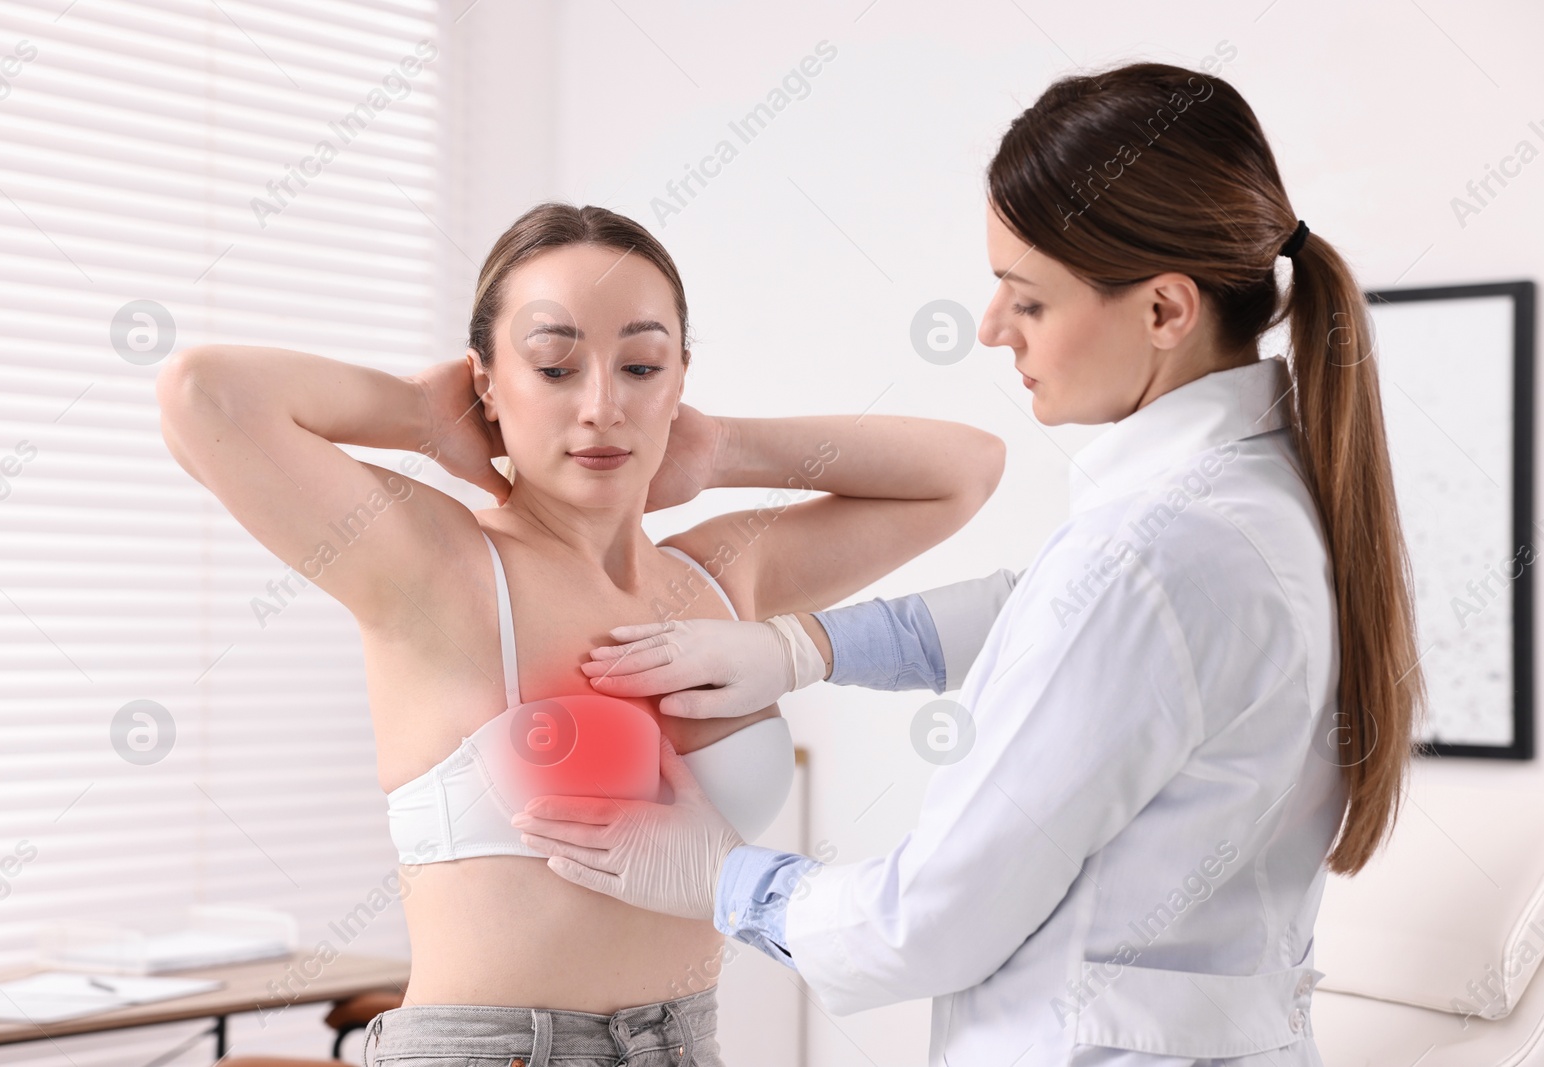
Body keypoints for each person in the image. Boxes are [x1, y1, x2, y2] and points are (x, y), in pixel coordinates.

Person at [511, 62, 1426, 1066]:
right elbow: (1053, 616)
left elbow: (925, 924)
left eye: (1026, 300)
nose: (991, 328)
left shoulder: (1149, 555)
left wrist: (726, 878)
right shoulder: (1254, 503)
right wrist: (804, 646)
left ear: (1165, 311)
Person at [153, 202, 1005, 1067]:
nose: (602, 406)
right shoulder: (435, 563)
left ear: (679, 377)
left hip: (688, 1043)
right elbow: (205, 394)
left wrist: (720, 451)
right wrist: (418, 412)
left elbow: (965, 471)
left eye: (640, 365)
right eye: (555, 367)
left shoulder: (724, 574)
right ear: (487, 380)